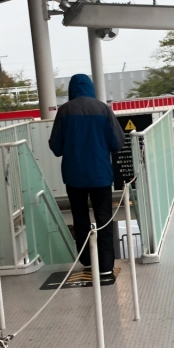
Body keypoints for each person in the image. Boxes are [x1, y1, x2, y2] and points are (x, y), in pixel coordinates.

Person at [49, 74, 126, 283]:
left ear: (72, 90)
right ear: (91, 88)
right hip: (100, 175)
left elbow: (56, 147)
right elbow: (117, 142)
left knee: (80, 218)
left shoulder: (64, 111)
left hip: (74, 176)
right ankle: (106, 268)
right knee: (104, 219)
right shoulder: (103, 109)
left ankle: (88, 261)